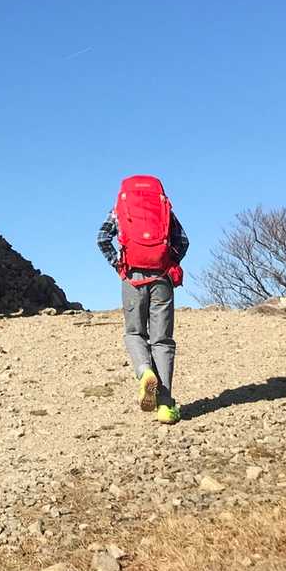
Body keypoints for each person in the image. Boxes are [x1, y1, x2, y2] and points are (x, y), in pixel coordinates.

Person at [97, 174, 189, 425]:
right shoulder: (163, 208)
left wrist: (118, 264)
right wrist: (168, 262)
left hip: (132, 277)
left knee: (135, 333)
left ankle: (144, 371)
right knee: (162, 340)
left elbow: (102, 238)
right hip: (162, 278)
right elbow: (183, 241)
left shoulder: (120, 209)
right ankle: (165, 406)